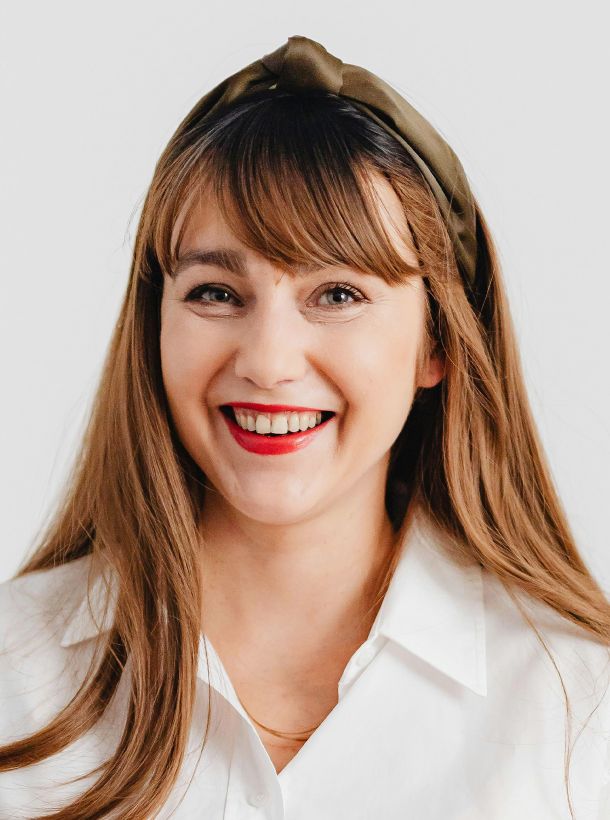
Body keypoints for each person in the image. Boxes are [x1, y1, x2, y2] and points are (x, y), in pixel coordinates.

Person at [1, 34, 609, 820]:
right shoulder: (13, 671)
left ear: (437, 343)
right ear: (155, 327)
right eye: (216, 293)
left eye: (338, 295)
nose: (268, 361)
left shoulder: (579, 710)